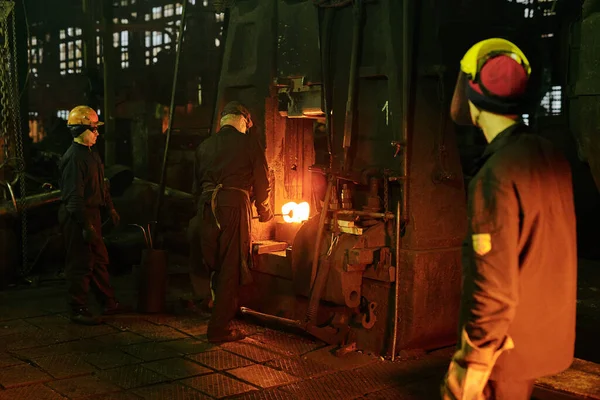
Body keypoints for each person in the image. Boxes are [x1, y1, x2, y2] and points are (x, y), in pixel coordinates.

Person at [442, 39, 577, 399]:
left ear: (472, 92)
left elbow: (494, 287)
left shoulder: (496, 174)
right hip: (542, 340)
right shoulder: (549, 155)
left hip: (505, 350)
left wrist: (471, 365)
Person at [191, 101, 273, 343]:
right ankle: (219, 329)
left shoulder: (205, 145)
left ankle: (209, 302)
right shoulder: (249, 143)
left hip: (206, 207)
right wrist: (264, 209)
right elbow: (262, 180)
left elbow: (195, 185)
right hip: (234, 205)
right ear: (242, 121)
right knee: (230, 265)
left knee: (211, 259)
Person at [58, 105, 130, 325]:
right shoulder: (74, 159)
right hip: (78, 216)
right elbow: (74, 197)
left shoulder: (91, 154)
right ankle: (77, 308)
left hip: (90, 215)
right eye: (93, 129)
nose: (97, 133)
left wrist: (110, 208)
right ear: (80, 130)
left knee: (99, 259)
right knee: (81, 262)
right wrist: (85, 225)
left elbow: (102, 185)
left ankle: (108, 302)